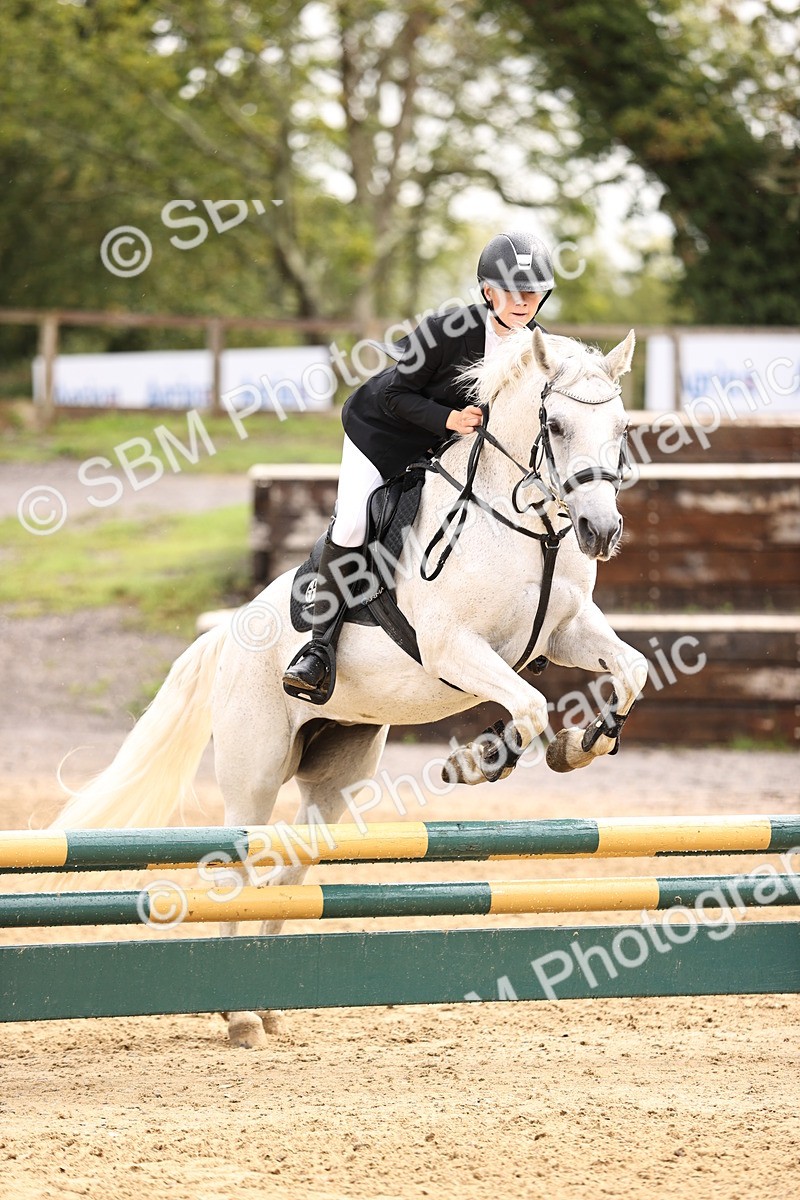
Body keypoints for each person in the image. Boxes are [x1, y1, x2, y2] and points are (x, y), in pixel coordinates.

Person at [282, 230, 557, 703]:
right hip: (382, 434)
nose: (522, 302)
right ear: (488, 291)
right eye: (511, 291)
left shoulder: (539, 347)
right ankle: (318, 648)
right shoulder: (447, 330)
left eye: (532, 293)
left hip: (446, 446)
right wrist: (449, 417)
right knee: (352, 522)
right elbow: (394, 394)